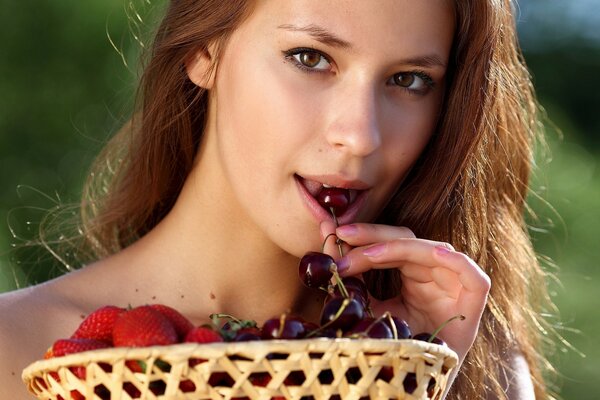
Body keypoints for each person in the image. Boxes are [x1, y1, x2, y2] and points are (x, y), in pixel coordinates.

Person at [0, 0, 556, 398]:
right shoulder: (14, 353)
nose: (360, 136)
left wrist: (411, 380)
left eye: (409, 80)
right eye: (310, 58)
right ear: (204, 52)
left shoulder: (469, 362)